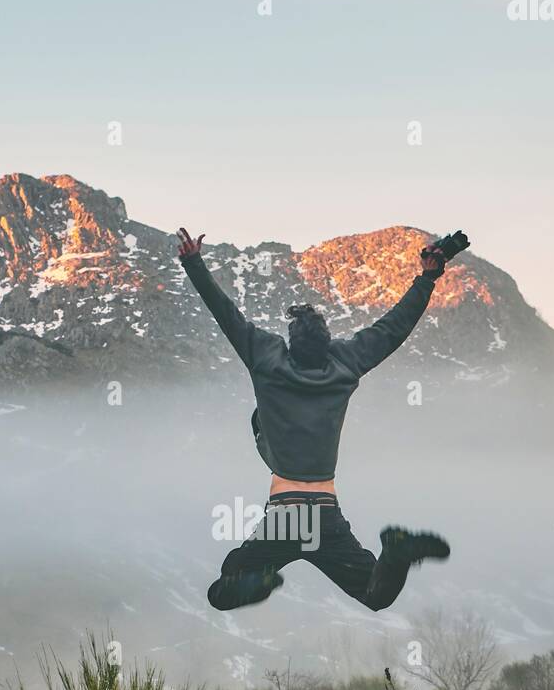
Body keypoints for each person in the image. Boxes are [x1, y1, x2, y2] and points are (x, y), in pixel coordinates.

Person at [177, 226, 470, 611]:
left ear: (290, 342)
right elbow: (394, 327)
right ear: (327, 341)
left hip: (284, 515)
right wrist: (428, 277)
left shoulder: (266, 359)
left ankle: (256, 579)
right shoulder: (345, 364)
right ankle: (397, 554)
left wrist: (194, 263)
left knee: (222, 589)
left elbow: (226, 313)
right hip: (326, 517)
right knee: (374, 594)